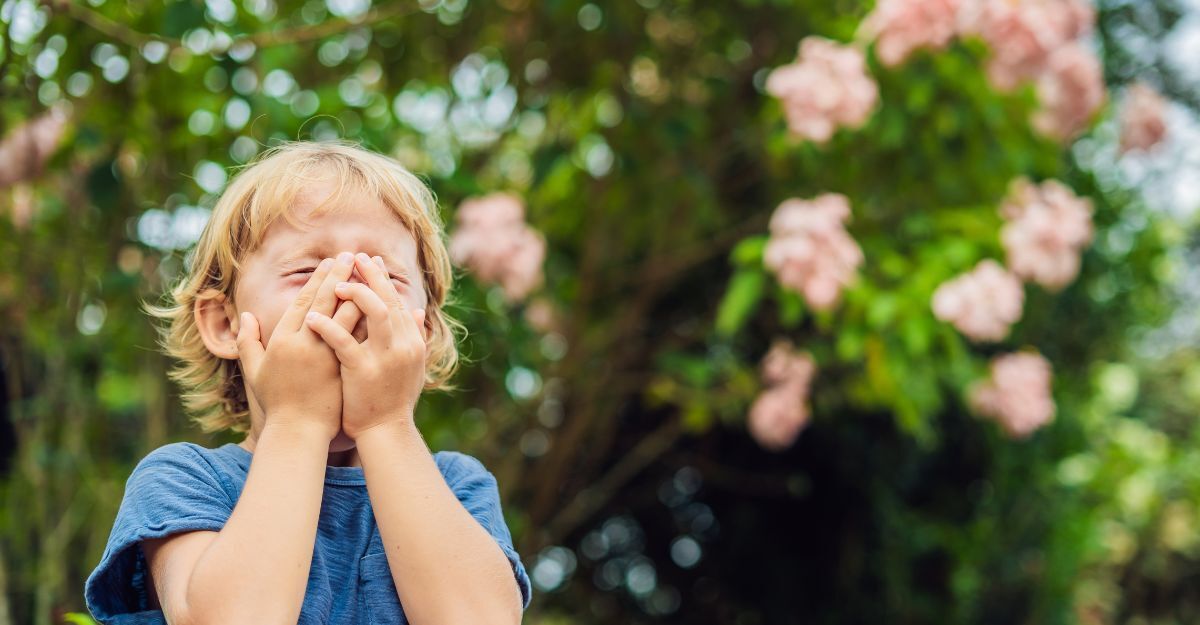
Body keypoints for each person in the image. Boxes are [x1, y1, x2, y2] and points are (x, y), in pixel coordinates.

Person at [83, 140, 533, 624]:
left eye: (386, 276)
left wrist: (384, 423)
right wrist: (297, 420)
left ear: (422, 335)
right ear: (225, 324)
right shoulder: (183, 479)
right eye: (307, 271)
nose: (348, 292)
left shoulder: (458, 487)